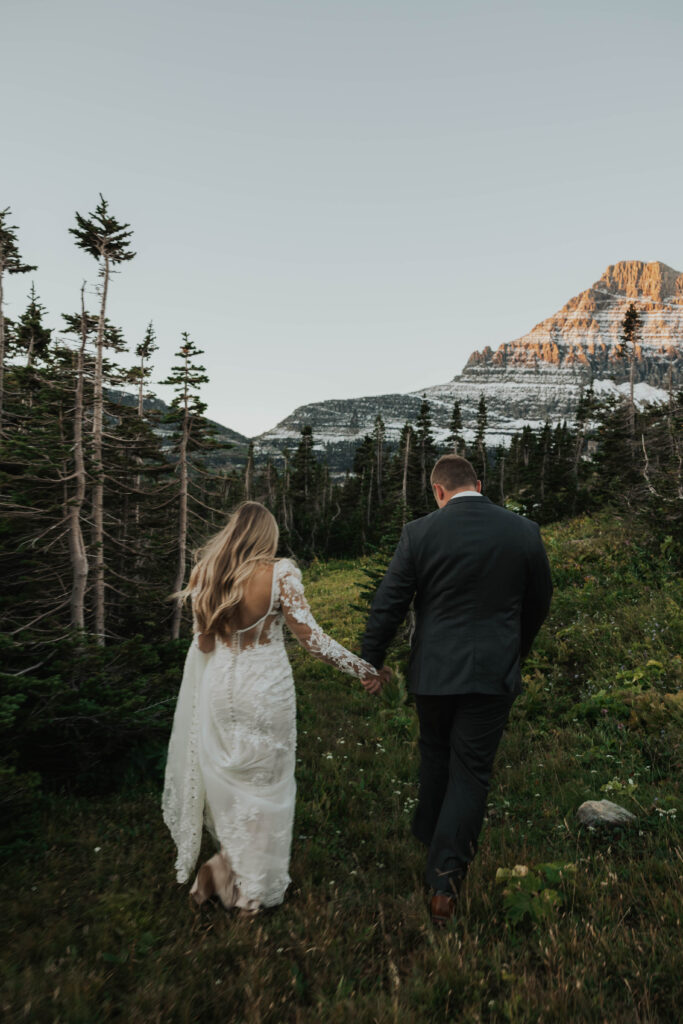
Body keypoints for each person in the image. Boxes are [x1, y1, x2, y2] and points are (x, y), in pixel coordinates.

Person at [162, 501, 382, 913]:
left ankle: (219, 873)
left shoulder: (206, 574)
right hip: (264, 692)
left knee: (233, 787)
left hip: (219, 691)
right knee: (268, 791)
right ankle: (250, 895)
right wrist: (363, 668)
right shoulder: (280, 573)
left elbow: (204, 644)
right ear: (268, 535)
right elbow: (311, 639)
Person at [361, 454, 552, 925]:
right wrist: (516, 648)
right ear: (479, 484)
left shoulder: (420, 533)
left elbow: (389, 602)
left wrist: (369, 660)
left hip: (433, 672)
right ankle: (445, 879)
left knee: (434, 752)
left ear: (438, 491)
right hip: (492, 672)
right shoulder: (523, 531)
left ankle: (431, 839)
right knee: (471, 770)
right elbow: (539, 601)